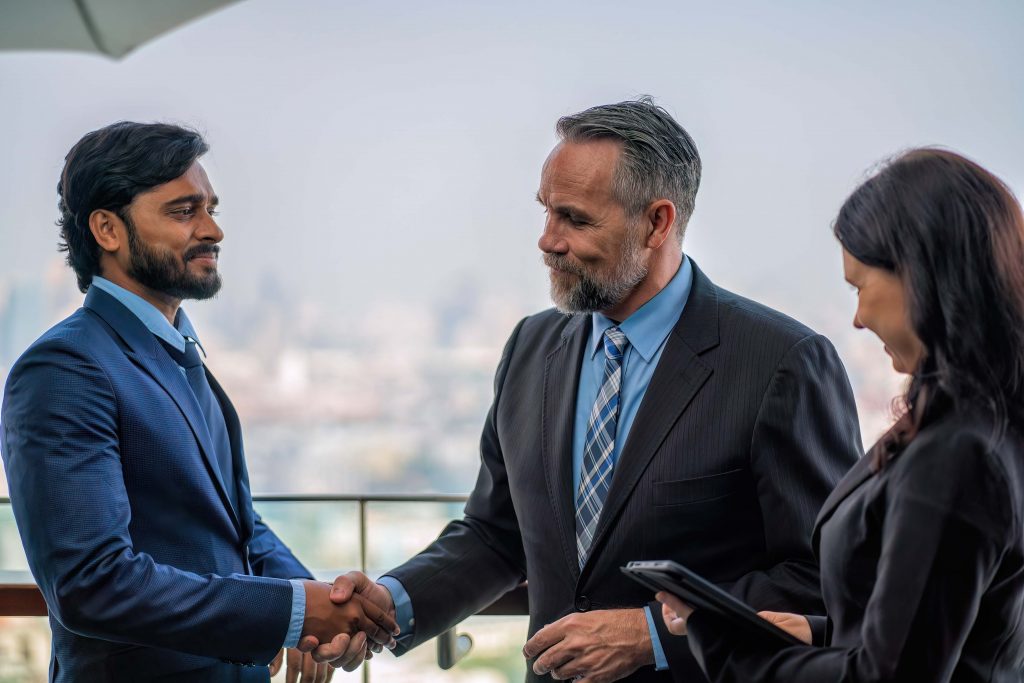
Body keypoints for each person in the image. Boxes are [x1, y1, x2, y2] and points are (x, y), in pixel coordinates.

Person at [314, 98, 863, 682]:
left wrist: (652, 634)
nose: (547, 241)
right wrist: (389, 602)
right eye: (546, 213)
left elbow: (828, 579)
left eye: (574, 219)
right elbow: (497, 534)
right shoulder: (531, 347)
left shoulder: (780, 363)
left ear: (657, 222)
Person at [0, 121, 397, 683]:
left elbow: (238, 529)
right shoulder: (65, 368)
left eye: (211, 208)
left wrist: (320, 605)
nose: (213, 229)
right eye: (184, 211)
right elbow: (92, 583)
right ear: (108, 230)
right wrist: (293, 611)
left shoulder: (182, 358)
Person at [658, 148, 1024, 682]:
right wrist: (818, 632)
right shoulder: (989, 423)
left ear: (922, 278)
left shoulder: (955, 454)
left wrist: (728, 646)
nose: (856, 319)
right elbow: (943, 628)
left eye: (860, 288)